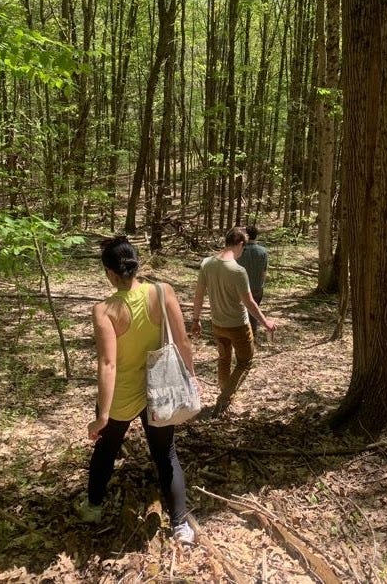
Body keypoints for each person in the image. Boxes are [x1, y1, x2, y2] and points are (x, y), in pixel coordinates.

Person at [78, 235, 195, 544]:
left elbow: (108, 364)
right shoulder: (163, 291)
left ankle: (93, 508)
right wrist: (191, 380)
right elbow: (183, 342)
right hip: (162, 390)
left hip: (122, 395)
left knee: (105, 451)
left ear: (110, 273)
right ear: (136, 264)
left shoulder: (104, 310)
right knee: (166, 454)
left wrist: (102, 415)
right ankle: (181, 527)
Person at [191, 227, 276, 417]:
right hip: (238, 326)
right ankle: (224, 400)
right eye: (243, 248)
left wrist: (196, 320)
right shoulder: (238, 271)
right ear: (239, 244)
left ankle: (225, 393)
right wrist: (265, 322)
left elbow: (198, 295)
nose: (242, 252)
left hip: (218, 325)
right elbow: (249, 302)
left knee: (224, 359)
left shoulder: (207, 263)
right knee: (245, 362)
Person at [236, 224, 269, 341]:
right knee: (254, 311)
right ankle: (252, 335)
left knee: (240, 311)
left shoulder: (239, 250)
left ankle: (241, 335)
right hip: (256, 287)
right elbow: (264, 271)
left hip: (240, 287)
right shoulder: (263, 251)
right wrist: (261, 284)